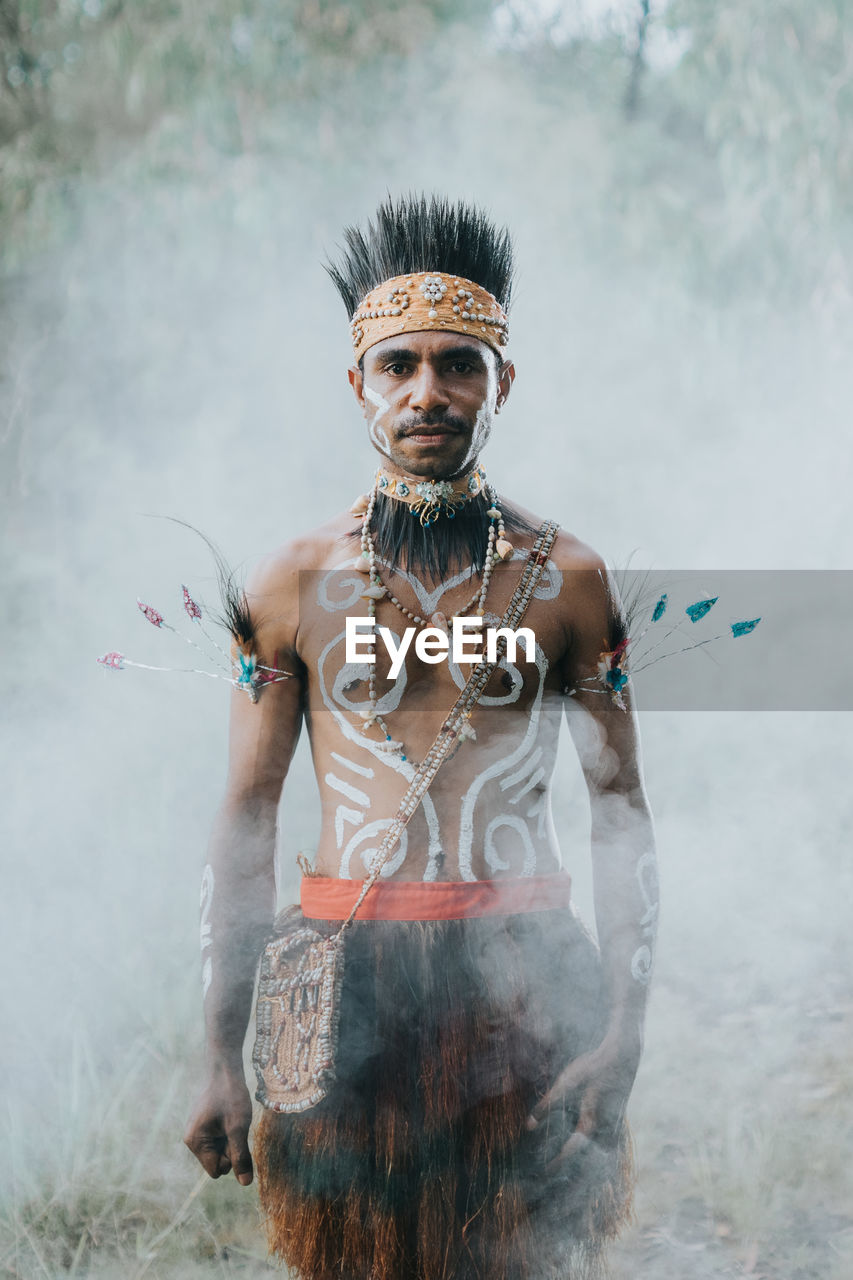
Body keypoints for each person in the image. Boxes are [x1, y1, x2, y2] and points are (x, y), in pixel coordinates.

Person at [183, 194, 658, 1280]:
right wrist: (218, 1048)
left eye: (459, 365)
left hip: (530, 983)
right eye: (398, 364)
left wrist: (624, 1029)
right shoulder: (291, 582)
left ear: (502, 384)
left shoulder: (570, 580)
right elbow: (248, 817)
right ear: (358, 384)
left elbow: (622, 811)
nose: (427, 392)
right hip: (342, 985)